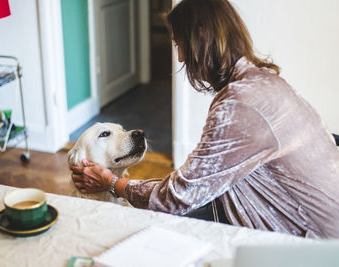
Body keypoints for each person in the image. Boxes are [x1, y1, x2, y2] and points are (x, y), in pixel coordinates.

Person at [70, 0, 339, 239]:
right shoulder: (261, 82)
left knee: (159, 234)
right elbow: (194, 184)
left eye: (179, 44)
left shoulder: (240, 103)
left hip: (314, 241)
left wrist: (112, 184)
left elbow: (177, 197)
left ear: (200, 37)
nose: (180, 57)